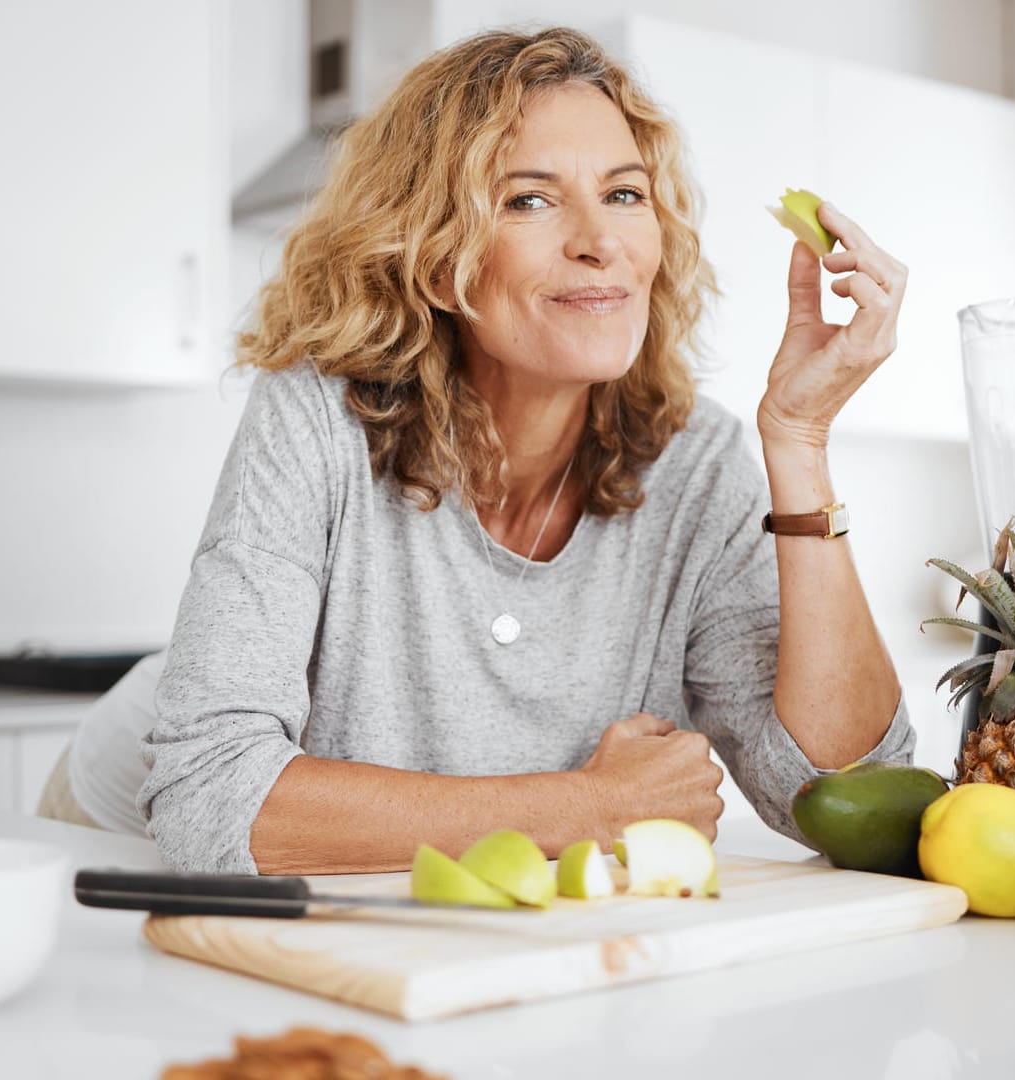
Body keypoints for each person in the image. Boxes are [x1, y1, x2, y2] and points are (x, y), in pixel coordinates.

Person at [139, 26, 913, 875]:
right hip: (113, 825)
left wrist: (798, 444)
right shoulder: (316, 418)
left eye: (624, 194)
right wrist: (591, 807)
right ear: (437, 262)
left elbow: (853, 799)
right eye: (529, 201)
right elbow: (207, 796)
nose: (599, 240)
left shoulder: (696, 466)